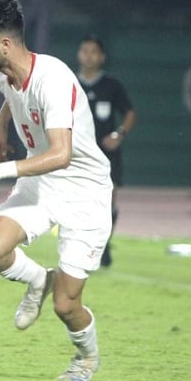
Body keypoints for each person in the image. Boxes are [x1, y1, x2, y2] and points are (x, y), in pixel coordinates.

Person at [0, 0, 111, 381]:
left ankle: (86, 358)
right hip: (41, 181)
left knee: (66, 305)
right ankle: (39, 278)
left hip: (84, 191)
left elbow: (61, 154)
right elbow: (13, 92)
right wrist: (0, 126)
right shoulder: (3, 70)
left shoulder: (54, 80)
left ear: (4, 44)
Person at [76, 35, 136, 266]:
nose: (88, 56)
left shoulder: (111, 85)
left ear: (101, 57)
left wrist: (119, 134)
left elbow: (130, 112)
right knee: (79, 200)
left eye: (93, 52)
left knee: (108, 199)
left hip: (106, 153)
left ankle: (104, 245)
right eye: (84, 51)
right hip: (77, 152)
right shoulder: (71, 82)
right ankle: (84, 246)